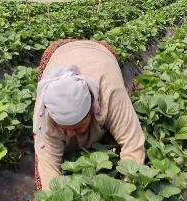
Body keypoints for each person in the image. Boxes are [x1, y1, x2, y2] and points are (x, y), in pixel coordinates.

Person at [33, 39, 145, 190]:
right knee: (44, 156)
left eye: (77, 127)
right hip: (58, 52)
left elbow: (133, 145)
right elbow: (47, 165)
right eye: (65, 129)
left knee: (114, 134)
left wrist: (124, 192)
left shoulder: (110, 93)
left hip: (100, 53)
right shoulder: (45, 112)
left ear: (92, 108)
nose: (71, 134)